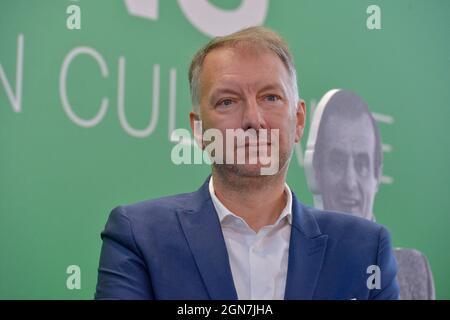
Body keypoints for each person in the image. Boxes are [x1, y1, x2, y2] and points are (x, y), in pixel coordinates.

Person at [95, 27, 399, 300]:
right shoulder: (138, 237)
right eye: (227, 101)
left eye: (270, 98)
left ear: (299, 121)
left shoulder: (364, 250)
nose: (253, 119)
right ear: (199, 130)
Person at [304, 89, 434, 299]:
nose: (350, 182)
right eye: (337, 161)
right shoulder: (292, 266)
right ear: (316, 171)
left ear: (377, 175)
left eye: (362, 164)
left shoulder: (413, 271)